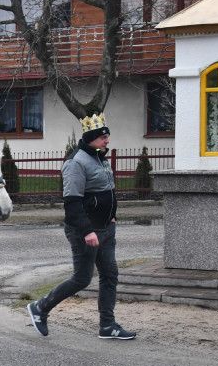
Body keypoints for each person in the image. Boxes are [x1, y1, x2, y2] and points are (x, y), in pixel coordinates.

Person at [27, 113, 136, 340]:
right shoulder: (75, 163)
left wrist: (112, 216)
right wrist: (87, 230)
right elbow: (72, 203)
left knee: (110, 274)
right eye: (103, 137)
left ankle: (107, 325)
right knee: (82, 278)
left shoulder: (100, 157)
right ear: (91, 138)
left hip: (106, 229)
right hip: (85, 232)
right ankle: (41, 308)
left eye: (107, 137)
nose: (107, 141)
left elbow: (108, 192)